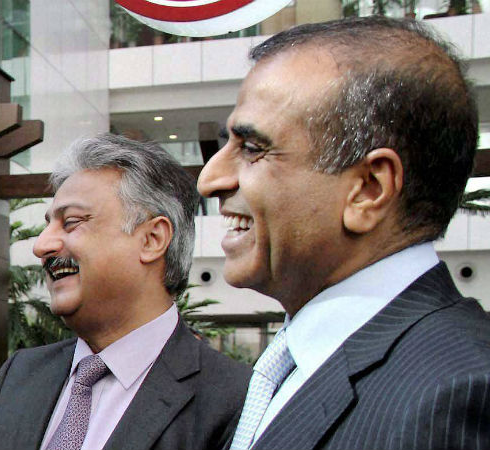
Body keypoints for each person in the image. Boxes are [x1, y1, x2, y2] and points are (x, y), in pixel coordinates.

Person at [197, 16, 490, 450]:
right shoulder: (292, 365)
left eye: (253, 149)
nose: (209, 180)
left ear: (369, 189)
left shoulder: (456, 396)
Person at [0, 133, 250, 450]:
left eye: (71, 222)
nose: (42, 246)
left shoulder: (234, 399)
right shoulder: (21, 374)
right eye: (48, 225)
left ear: (152, 239)